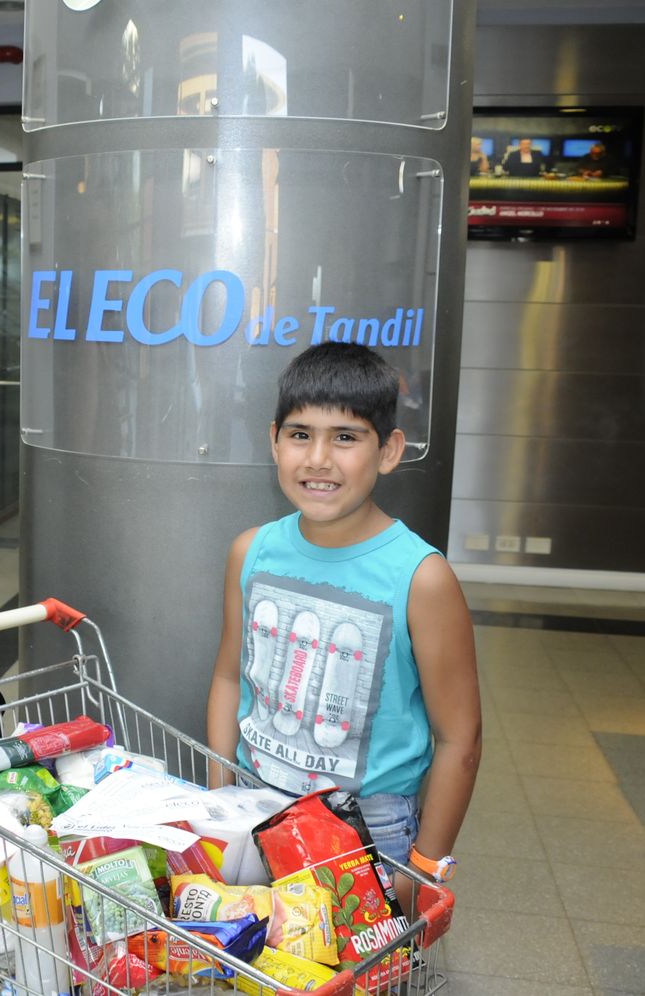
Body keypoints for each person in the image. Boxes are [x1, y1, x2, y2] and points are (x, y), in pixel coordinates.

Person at [205, 342, 481, 898]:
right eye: (300, 434)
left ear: (388, 451)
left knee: (355, 984)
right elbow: (230, 677)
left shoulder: (421, 577)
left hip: (369, 832)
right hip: (255, 807)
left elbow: (460, 737)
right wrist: (222, 799)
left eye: (346, 437)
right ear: (274, 441)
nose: (318, 459)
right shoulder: (250, 551)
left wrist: (422, 869)